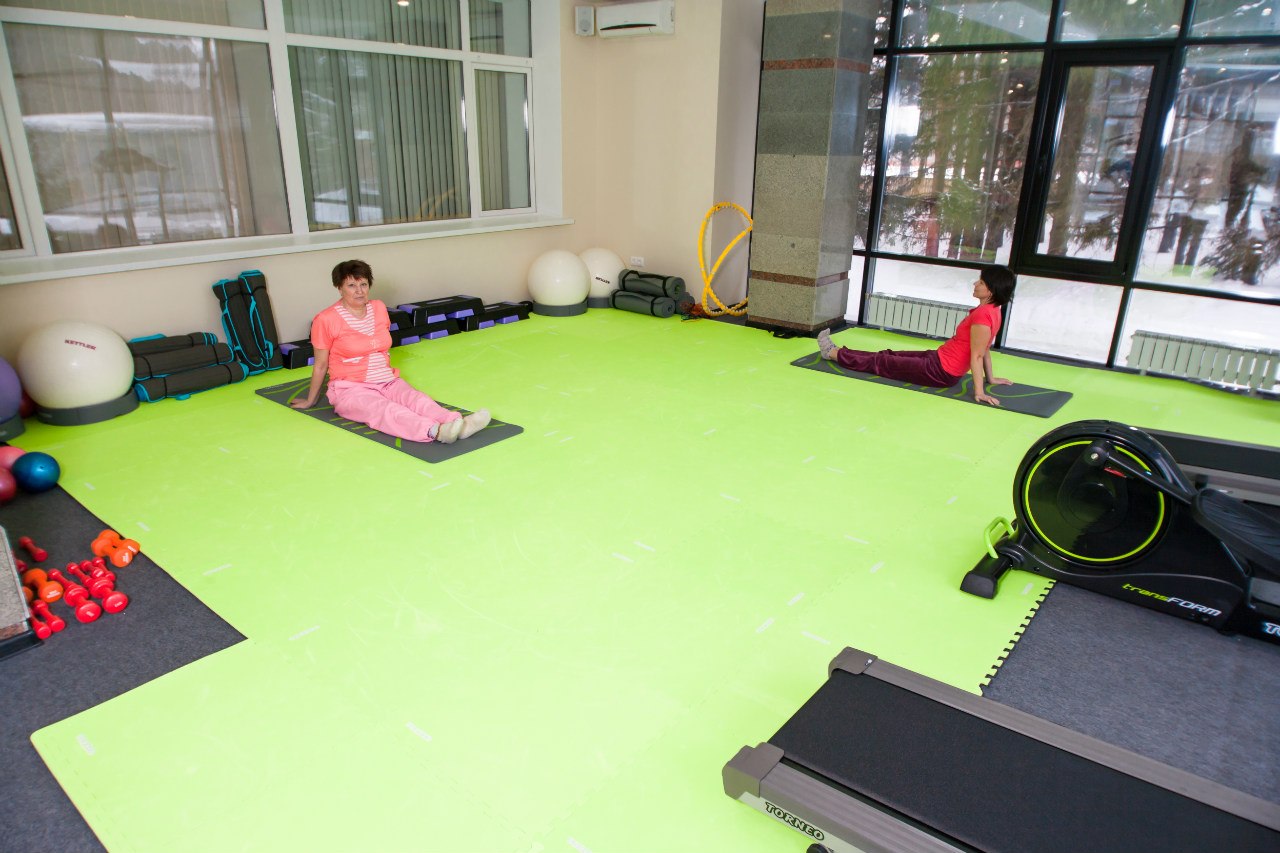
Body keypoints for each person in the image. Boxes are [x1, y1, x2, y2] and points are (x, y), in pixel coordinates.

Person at [290, 259, 490, 443]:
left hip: (387, 380)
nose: (359, 291)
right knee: (385, 410)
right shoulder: (326, 319)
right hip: (350, 388)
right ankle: (435, 431)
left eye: (363, 284)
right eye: (351, 285)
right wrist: (310, 400)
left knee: (416, 399)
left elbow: (379, 346)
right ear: (339, 288)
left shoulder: (378, 308)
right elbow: (321, 364)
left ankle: (458, 424)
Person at [817, 265, 1017, 407]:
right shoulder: (993, 311)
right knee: (889, 355)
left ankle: (832, 353)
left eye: (980, 282)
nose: (975, 284)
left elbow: (978, 354)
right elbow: (985, 348)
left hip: (940, 371)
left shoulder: (983, 315)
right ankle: (838, 352)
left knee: (882, 362)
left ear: (991, 290)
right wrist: (990, 378)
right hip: (938, 359)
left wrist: (979, 392)